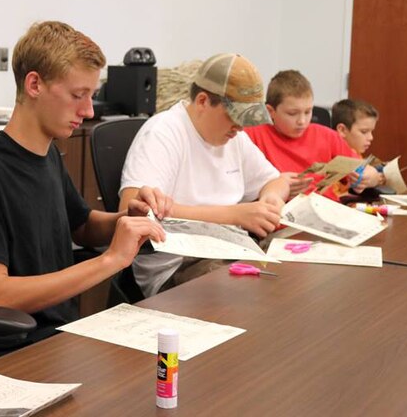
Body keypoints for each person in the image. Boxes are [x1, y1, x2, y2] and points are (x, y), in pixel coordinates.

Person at [0, 20, 172, 340]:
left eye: (91, 96)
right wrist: (110, 260)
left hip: (63, 334)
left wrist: (127, 219)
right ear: (34, 85)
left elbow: (81, 226)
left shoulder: (50, 156)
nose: (88, 111)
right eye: (78, 95)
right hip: (17, 347)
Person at [119, 53, 290, 297]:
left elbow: (275, 181)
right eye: (234, 116)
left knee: (291, 270)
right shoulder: (163, 134)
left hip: (231, 249)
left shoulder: (235, 138)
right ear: (202, 101)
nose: (240, 128)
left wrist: (271, 198)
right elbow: (133, 210)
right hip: (178, 264)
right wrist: (233, 215)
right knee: (250, 295)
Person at [245, 70, 382, 197]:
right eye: (292, 113)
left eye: (308, 111)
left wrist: (370, 177)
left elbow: (363, 169)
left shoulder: (328, 136)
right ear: (270, 111)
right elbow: (237, 187)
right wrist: (273, 186)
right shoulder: (250, 137)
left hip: (327, 212)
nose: (302, 121)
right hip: (281, 214)